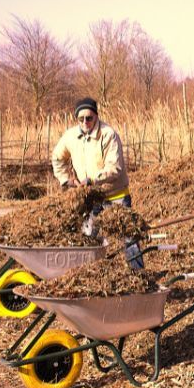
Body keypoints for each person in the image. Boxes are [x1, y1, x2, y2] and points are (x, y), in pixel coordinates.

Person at [51, 97, 143, 268]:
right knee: (87, 238)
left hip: (116, 196)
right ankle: (88, 273)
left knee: (128, 238)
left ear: (96, 116)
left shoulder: (108, 135)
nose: (85, 122)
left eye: (89, 118)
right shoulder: (71, 136)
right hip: (91, 199)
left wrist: (93, 180)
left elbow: (115, 168)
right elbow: (57, 158)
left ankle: (140, 276)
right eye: (81, 119)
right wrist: (67, 180)